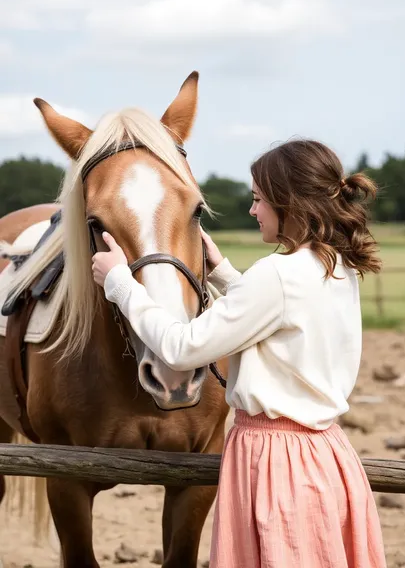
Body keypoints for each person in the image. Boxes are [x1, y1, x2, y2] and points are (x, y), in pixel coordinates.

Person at [92, 139, 386, 567]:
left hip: (275, 460)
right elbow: (285, 321)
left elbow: (181, 347)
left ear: (288, 203)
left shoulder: (277, 274)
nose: (252, 210)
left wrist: (121, 285)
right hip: (325, 453)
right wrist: (227, 274)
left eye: (258, 199)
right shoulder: (337, 266)